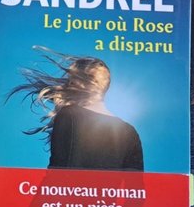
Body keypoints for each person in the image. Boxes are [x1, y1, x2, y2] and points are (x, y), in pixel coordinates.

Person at [8, 50, 143, 171]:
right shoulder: (130, 132)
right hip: (106, 193)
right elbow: (136, 188)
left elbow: (58, 172)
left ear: (81, 83)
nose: (69, 84)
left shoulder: (69, 115)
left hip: (71, 191)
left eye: (71, 81)